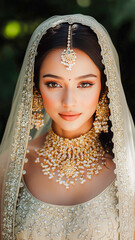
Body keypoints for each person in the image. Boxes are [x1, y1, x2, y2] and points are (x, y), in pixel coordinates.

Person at [0, 14, 135, 240]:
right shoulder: (9, 167)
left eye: (85, 84)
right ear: (36, 88)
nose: (69, 101)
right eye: (53, 84)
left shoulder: (129, 169)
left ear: (104, 87)